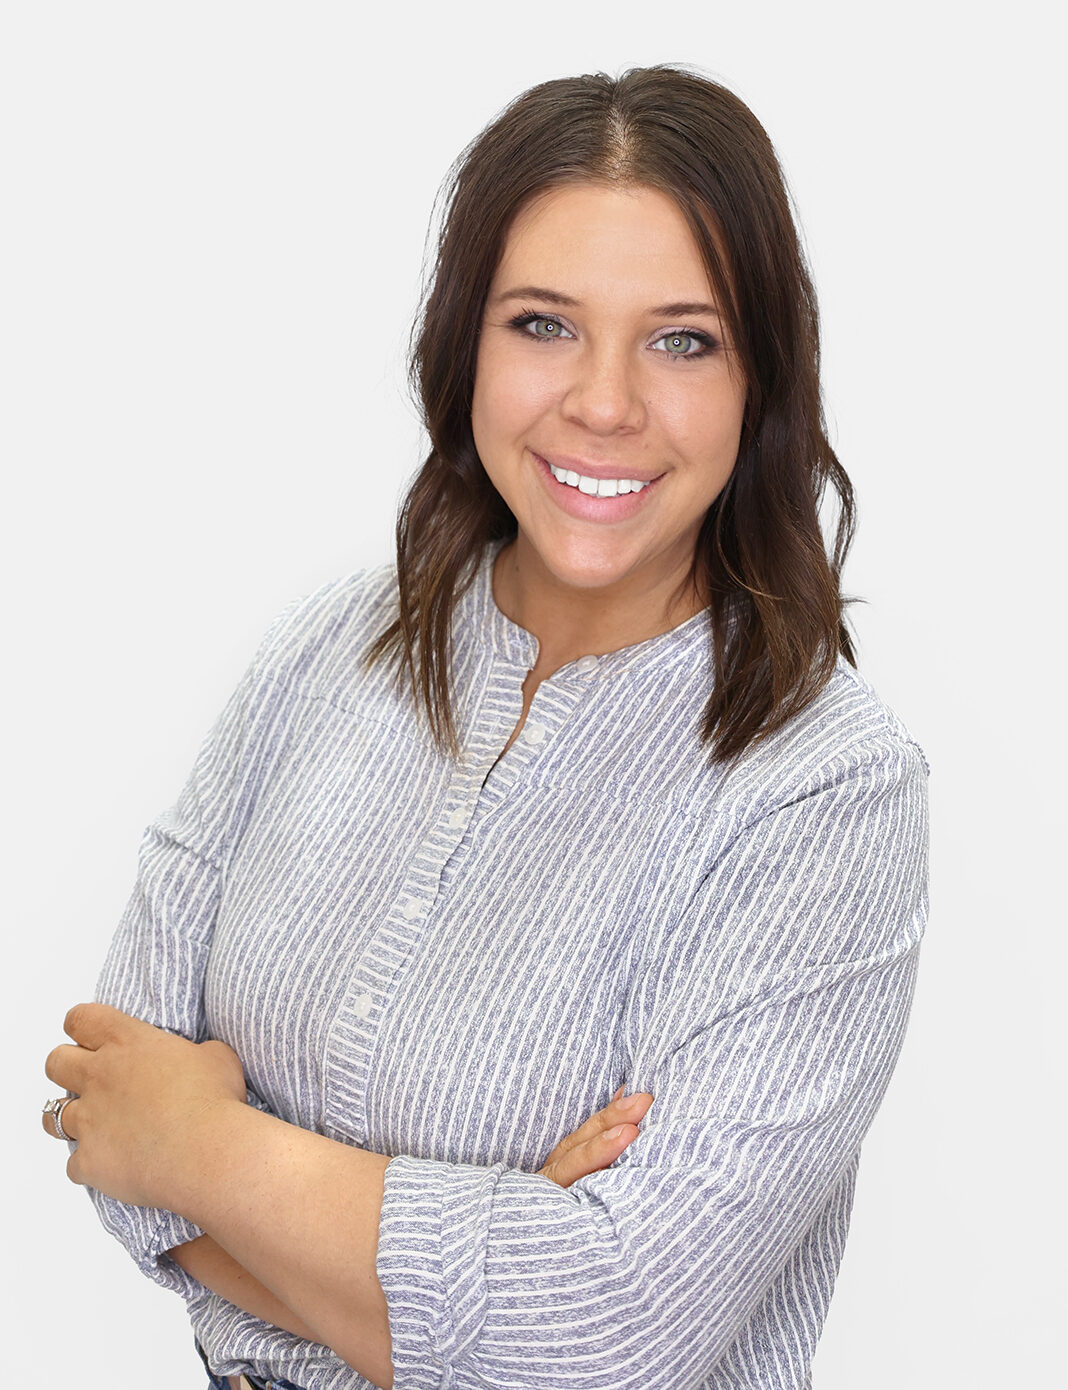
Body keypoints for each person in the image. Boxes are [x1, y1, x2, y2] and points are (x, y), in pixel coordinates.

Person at [42, 65, 929, 1390]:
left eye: (683, 337)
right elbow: (110, 1112)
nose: (606, 401)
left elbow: (614, 1337)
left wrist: (210, 1152)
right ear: (466, 339)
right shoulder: (327, 648)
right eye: (544, 324)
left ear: (763, 379)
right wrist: (492, 1244)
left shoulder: (827, 793)